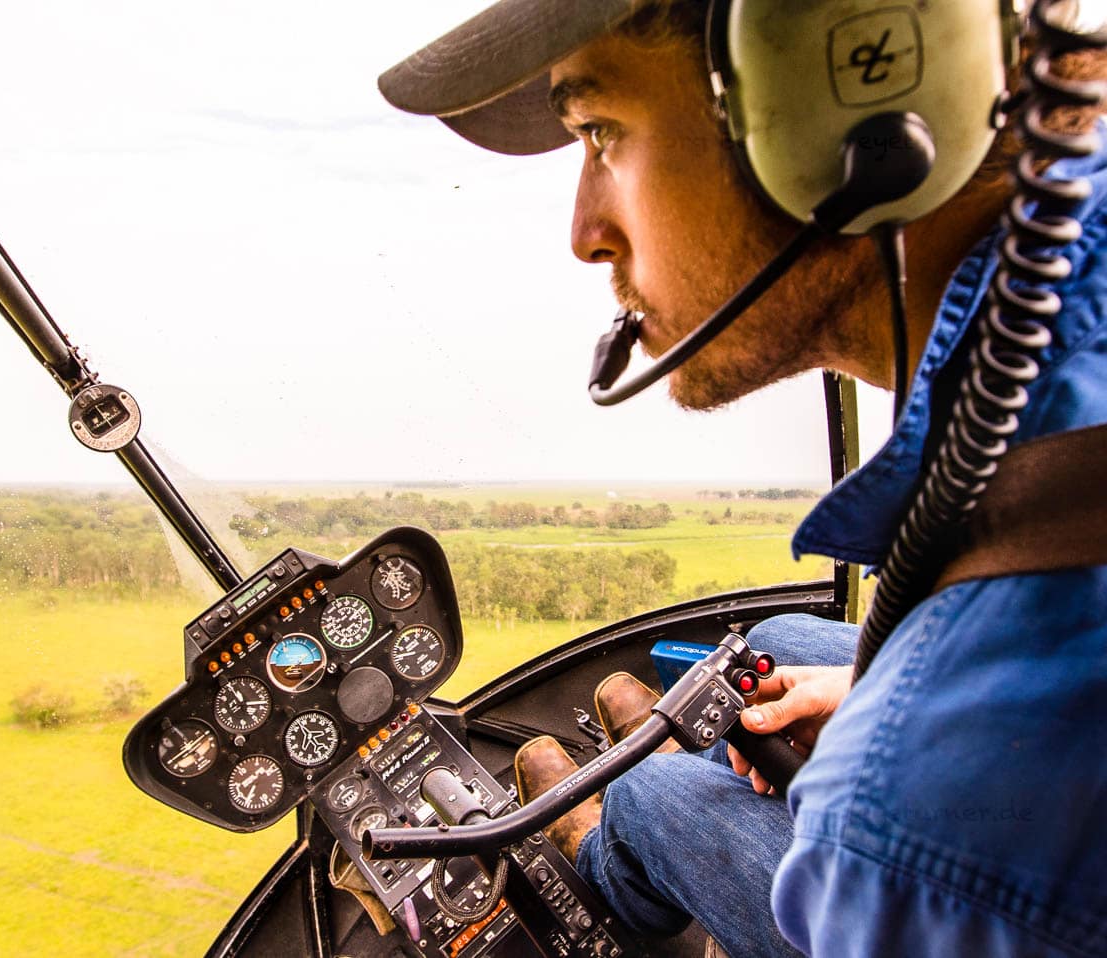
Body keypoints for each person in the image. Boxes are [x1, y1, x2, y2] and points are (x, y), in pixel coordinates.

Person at [379, 2, 1107, 956]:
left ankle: (608, 840)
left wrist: (885, 745)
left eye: (600, 132)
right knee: (772, 649)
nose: (585, 233)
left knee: (654, 790)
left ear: (845, 98)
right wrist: (867, 683)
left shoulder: (908, 834)